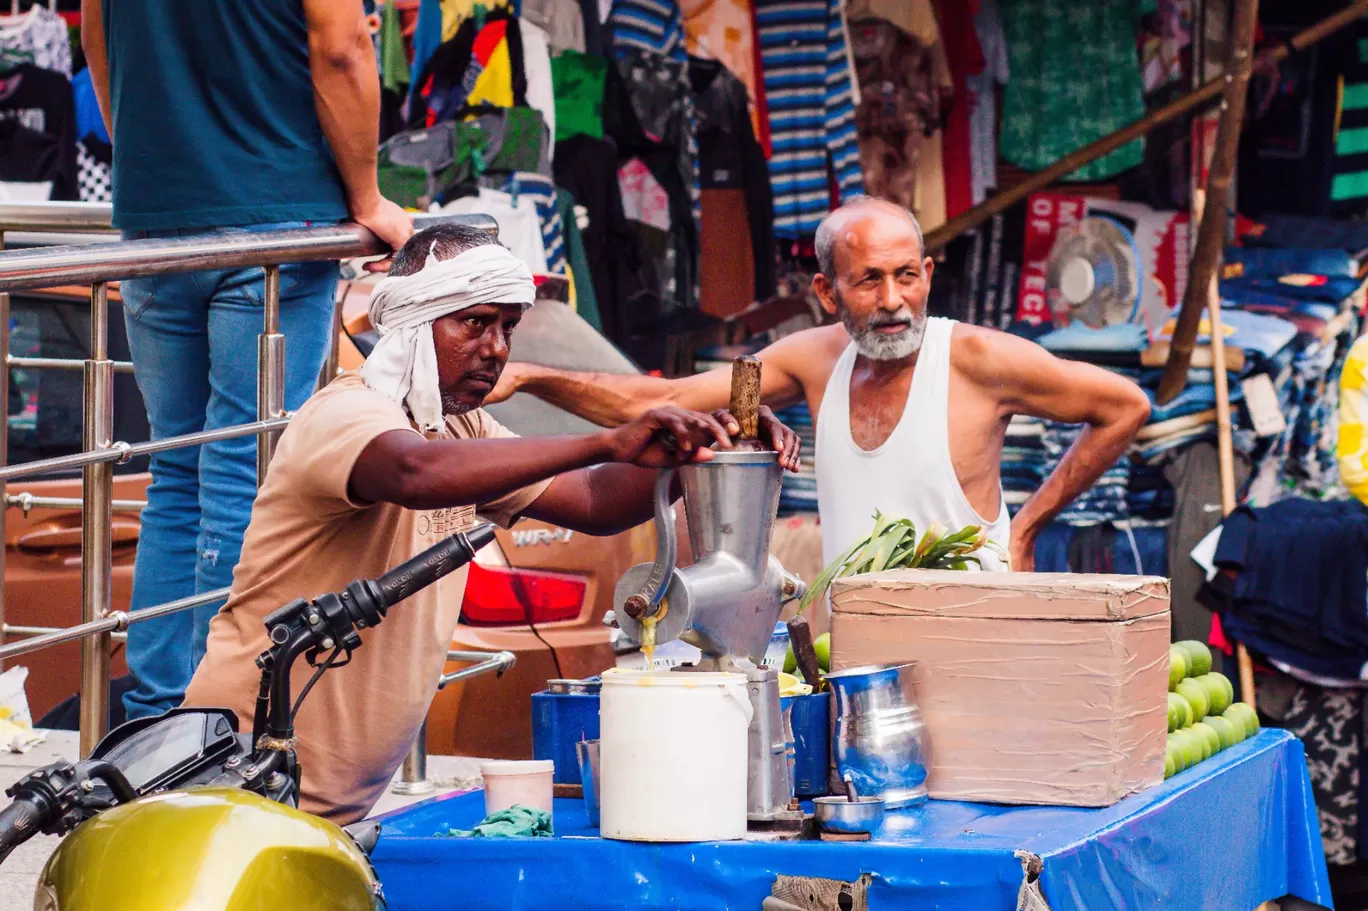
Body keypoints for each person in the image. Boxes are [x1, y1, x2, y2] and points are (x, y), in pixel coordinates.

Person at [182, 223, 800, 823]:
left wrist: (714, 444)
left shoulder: (461, 428)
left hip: (327, 811)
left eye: (508, 327)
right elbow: (412, 472)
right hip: (240, 776)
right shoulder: (346, 414)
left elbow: (594, 501)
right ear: (415, 321)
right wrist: (608, 439)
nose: (498, 349)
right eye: (474, 323)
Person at [491, 197, 1153, 573]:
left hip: (972, 631)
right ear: (826, 290)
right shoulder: (807, 361)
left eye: (907, 276)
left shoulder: (979, 358)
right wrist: (530, 376)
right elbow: (672, 401)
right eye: (869, 280)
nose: (894, 300)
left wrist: (1028, 529)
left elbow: (1126, 406)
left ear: (927, 273)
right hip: (858, 652)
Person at [81, 0, 415, 719]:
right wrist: (367, 196)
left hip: (156, 222)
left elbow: (96, 33)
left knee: (177, 467)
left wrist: (151, 161)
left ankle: (157, 712)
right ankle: (216, 712)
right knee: (242, 469)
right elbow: (343, 47)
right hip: (275, 217)